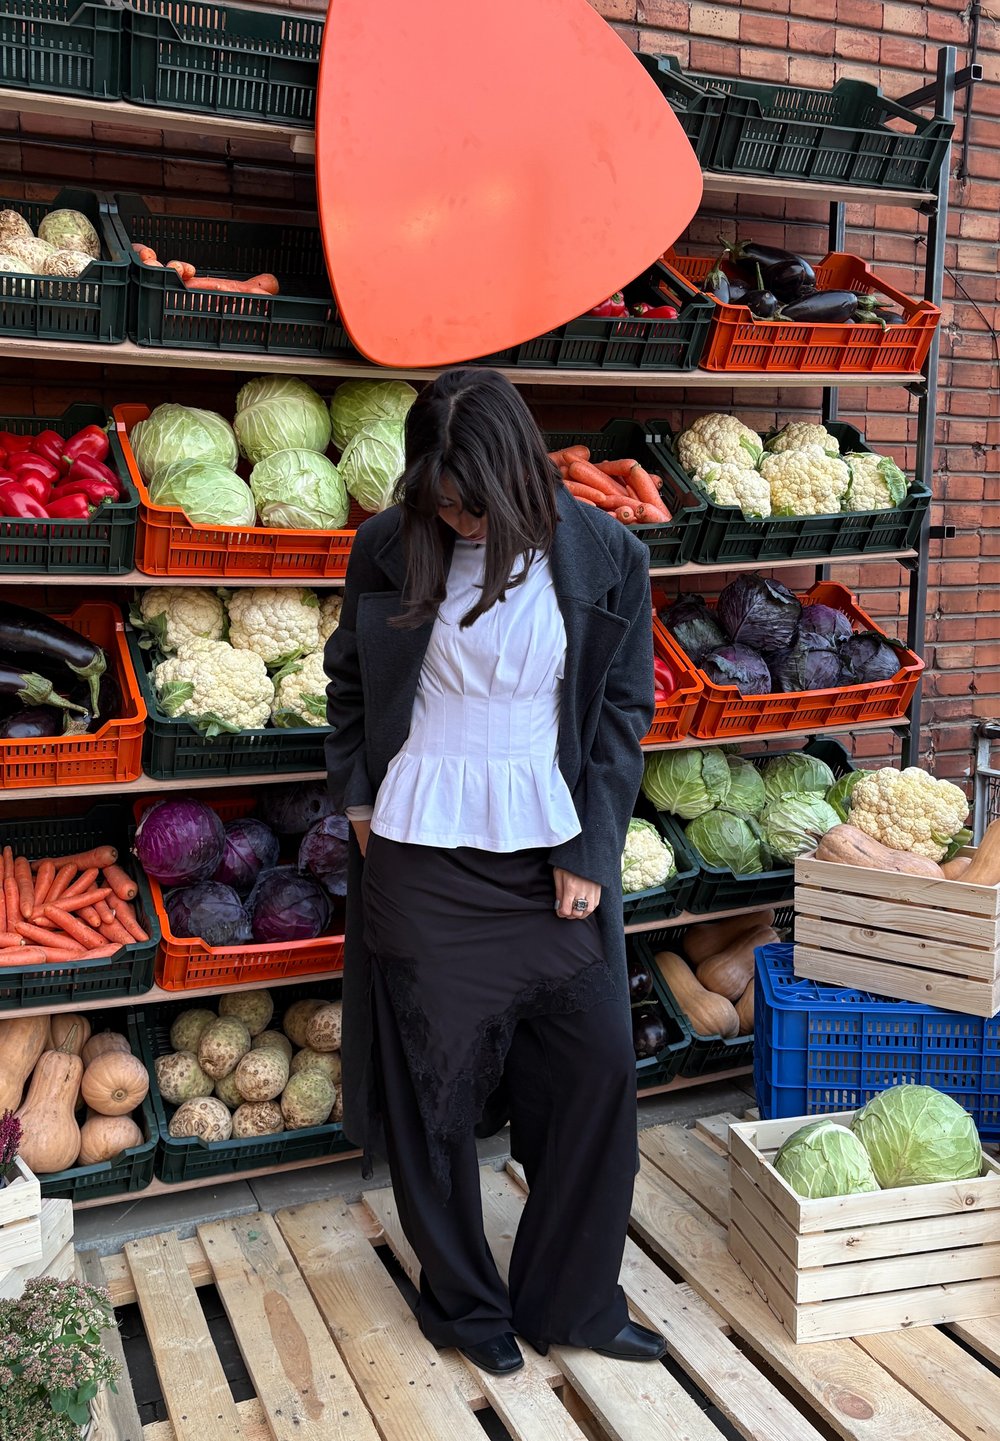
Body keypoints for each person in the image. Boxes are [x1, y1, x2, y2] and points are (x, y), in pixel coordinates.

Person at [324, 366, 664, 1375]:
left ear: (517, 475)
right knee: (432, 1094)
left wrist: (590, 846)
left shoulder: (606, 553)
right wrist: (356, 801)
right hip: (421, 855)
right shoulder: (388, 546)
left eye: (472, 500)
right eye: (439, 498)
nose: (456, 517)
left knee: (595, 1069)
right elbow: (349, 684)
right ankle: (463, 1304)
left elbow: (619, 713)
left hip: (547, 851)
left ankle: (574, 1299)